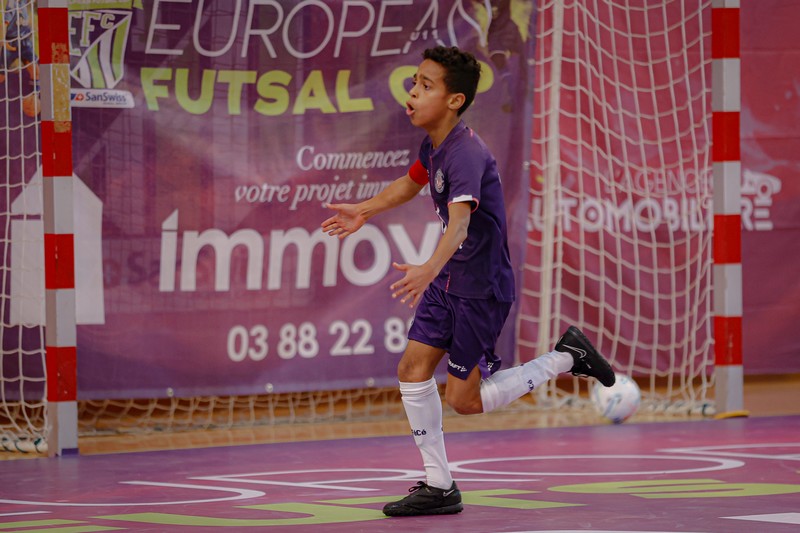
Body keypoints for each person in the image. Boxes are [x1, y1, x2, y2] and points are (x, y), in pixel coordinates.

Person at [321, 46, 615, 517]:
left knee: (465, 400)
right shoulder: (434, 145)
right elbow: (410, 183)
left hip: (480, 288)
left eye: (426, 85)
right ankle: (439, 486)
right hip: (449, 280)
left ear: (454, 100)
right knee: (412, 369)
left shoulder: (466, 155)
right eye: (414, 82)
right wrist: (364, 210)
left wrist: (427, 268)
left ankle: (566, 356)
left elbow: (459, 226)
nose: (413, 93)